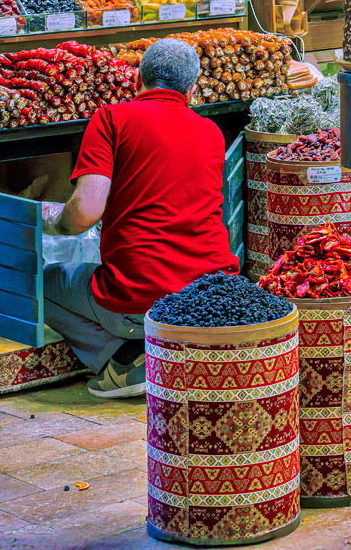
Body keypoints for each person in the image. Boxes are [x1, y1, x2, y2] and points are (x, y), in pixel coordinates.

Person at [41, 37, 239, 397]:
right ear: (192, 90)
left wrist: (51, 220)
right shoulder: (211, 132)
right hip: (210, 296)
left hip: (140, 297)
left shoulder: (111, 118)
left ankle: (124, 360)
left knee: (43, 283)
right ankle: (157, 356)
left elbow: (83, 212)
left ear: (137, 79)